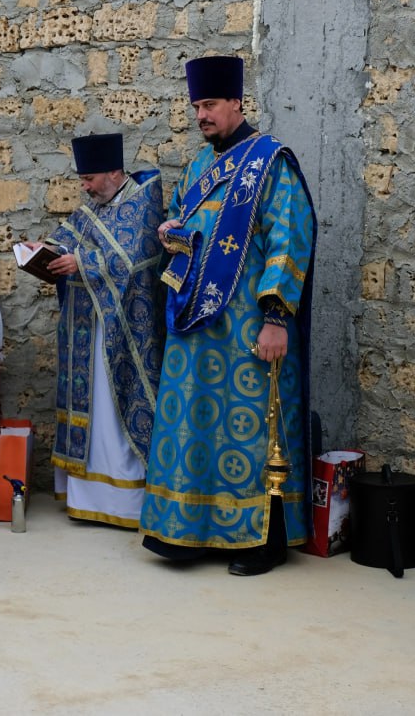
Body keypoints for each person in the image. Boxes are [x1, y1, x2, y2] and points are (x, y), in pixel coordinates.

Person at [139, 55, 316, 576]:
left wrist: (276, 318)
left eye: (210, 104)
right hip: (196, 323)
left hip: (248, 328)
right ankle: (187, 533)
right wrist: (172, 237)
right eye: (196, 106)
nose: (201, 115)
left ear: (238, 102)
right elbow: (187, 225)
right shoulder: (197, 166)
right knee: (192, 424)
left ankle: (261, 541)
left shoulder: (271, 162)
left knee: (254, 432)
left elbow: (290, 239)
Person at [39, 133, 165, 529]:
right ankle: (85, 498)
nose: (85, 186)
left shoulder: (143, 204)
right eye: (82, 179)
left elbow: (136, 258)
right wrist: (42, 253)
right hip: (85, 332)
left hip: (125, 331)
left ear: (115, 172)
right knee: (93, 409)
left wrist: (83, 262)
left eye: (90, 178)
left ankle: (125, 503)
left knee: (114, 411)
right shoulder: (94, 207)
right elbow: (65, 241)